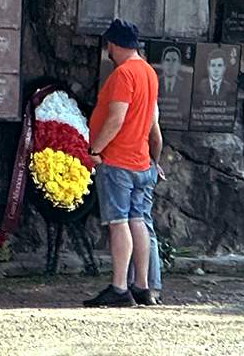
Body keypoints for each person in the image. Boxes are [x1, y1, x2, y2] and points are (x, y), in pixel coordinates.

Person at [86, 19, 161, 309]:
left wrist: (96, 148)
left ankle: (119, 287)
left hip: (118, 161)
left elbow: (116, 118)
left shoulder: (123, 74)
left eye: (109, 45)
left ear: (115, 44)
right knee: (138, 221)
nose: (108, 50)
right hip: (141, 161)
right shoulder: (149, 73)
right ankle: (142, 286)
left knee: (118, 223)